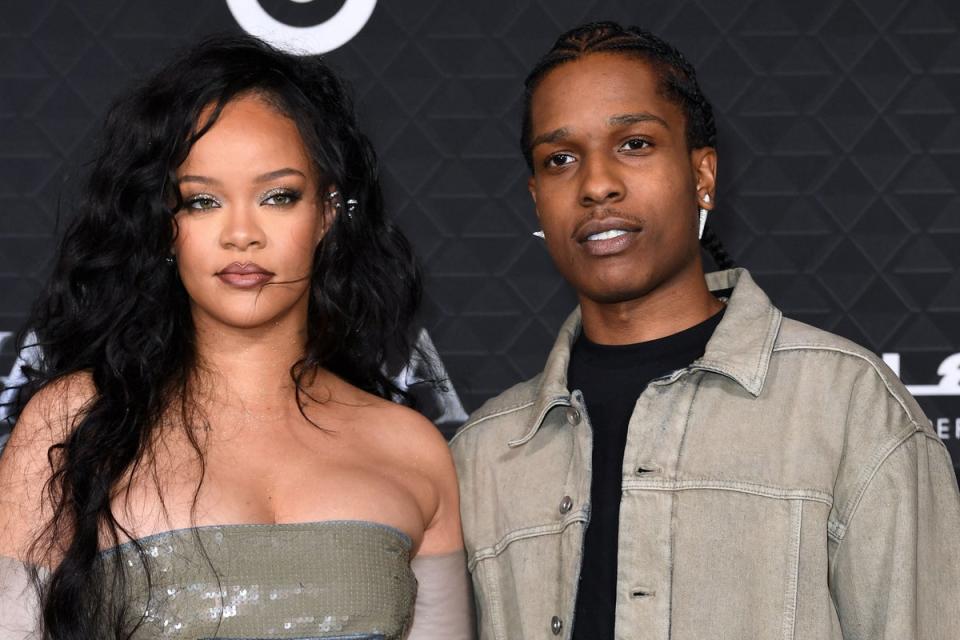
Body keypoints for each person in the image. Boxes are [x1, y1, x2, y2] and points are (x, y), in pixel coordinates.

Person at [450, 21, 960, 640]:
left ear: (703, 177)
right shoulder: (482, 454)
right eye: (560, 159)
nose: (595, 184)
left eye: (634, 143)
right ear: (536, 199)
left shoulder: (847, 406)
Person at [0, 35, 473, 639]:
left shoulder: (412, 451)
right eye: (202, 202)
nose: (241, 234)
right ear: (165, 227)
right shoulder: (69, 426)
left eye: (278, 196)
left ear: (327, 212)